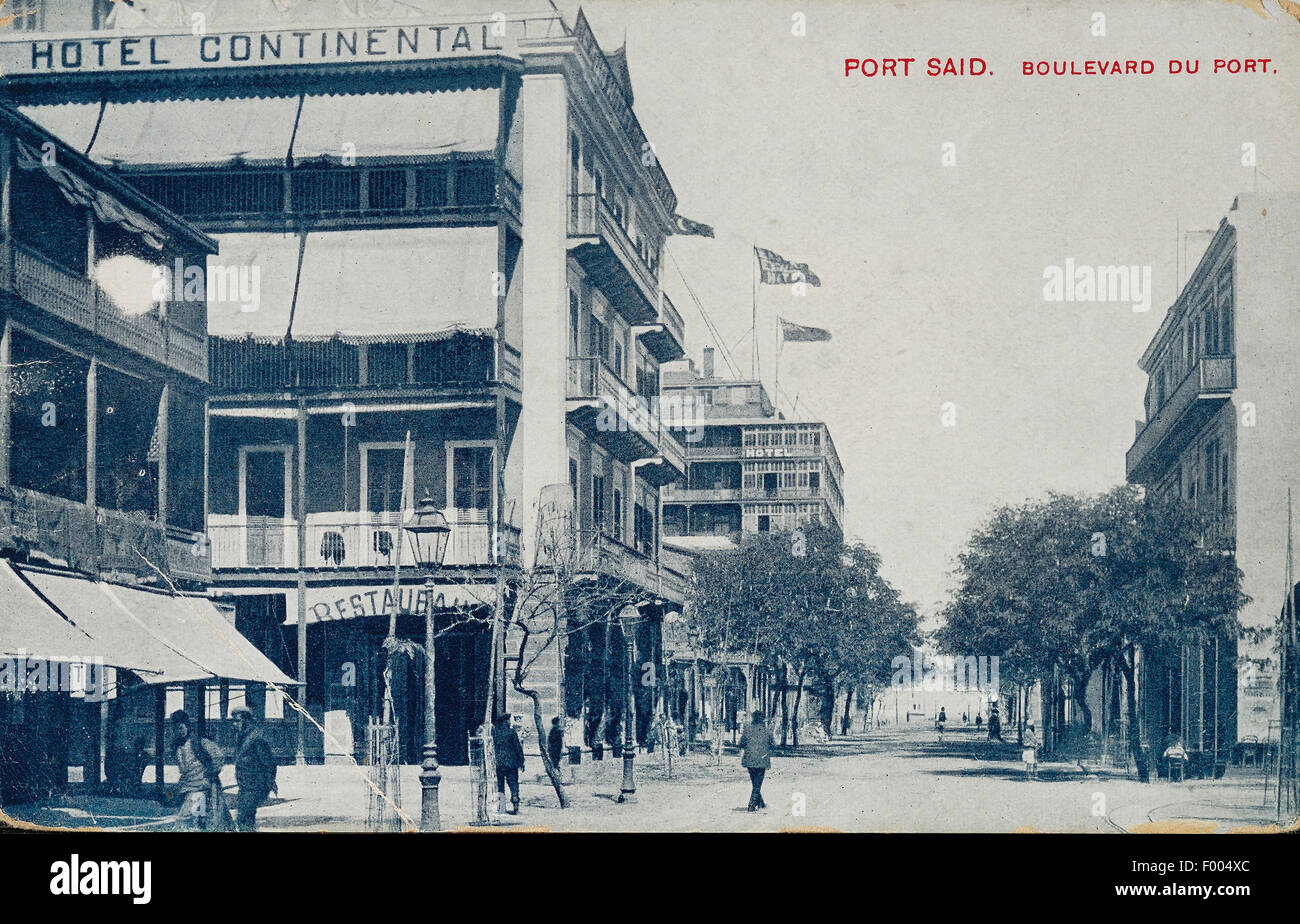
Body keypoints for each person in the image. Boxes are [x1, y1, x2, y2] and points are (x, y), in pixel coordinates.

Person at [170, 710, 230, 831]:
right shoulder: (177, 746)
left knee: (189, 819)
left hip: (201, 787)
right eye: (176, 729)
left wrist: (210, 773)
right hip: (189, 786)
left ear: (187, 726)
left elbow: (218, 756)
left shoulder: (199, 742)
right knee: (196, 820)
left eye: (181, 727)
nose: (179, 731)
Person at [231, 707, 277, 832]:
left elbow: (268, 762)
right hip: (245, 786)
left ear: (246, 720)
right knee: (245, 819)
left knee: (244, 819)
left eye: (237, 721)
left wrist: (270, 782)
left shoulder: (256, 738)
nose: (234, 724)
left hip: (254, 786)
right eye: (233, 721)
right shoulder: (243, 736)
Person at [739, 710, 774, 812]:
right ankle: (751, 804)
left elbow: (741, 743)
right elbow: (773, 744)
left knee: (755, 783)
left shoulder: (747, 730)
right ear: (762, 720)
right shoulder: (767, 731)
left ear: (753, 719)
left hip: (749, 760)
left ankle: (761, 803)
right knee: (757, 784)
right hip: (762, 760)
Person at [492, 713, 525, 815]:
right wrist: (521, 761)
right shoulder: (511, 732)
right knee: (513, 784)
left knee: (500, 785)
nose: (510, 722)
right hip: (511, 763)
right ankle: (515, 807)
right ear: (505, 721)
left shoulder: (496, 732)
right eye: (508, 720)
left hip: (499, 763)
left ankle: (501, 808)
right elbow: (518, 748)